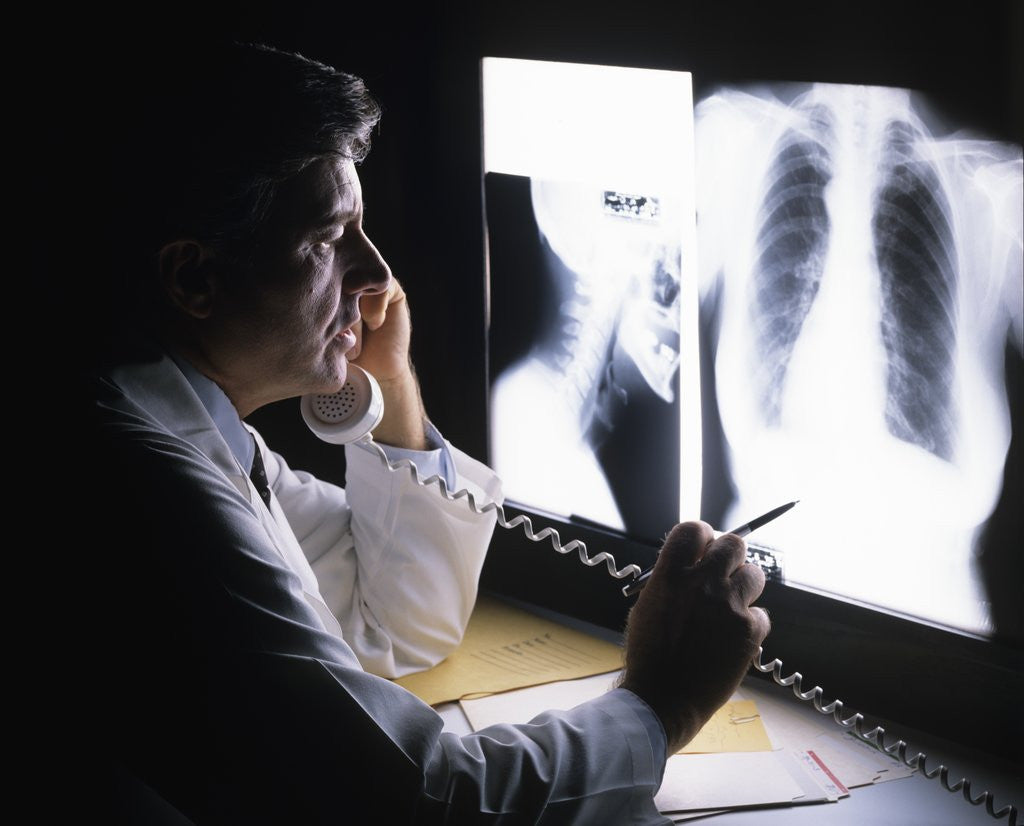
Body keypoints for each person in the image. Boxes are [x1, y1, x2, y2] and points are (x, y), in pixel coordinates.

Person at [78, 40, 770, 824]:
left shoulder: (203, 433)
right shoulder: (142, 480)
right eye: (330, 238)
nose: (377, 275)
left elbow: (396, 624)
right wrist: (660, 705)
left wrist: (389, 386)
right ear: (195, 277)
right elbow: (422, 801)